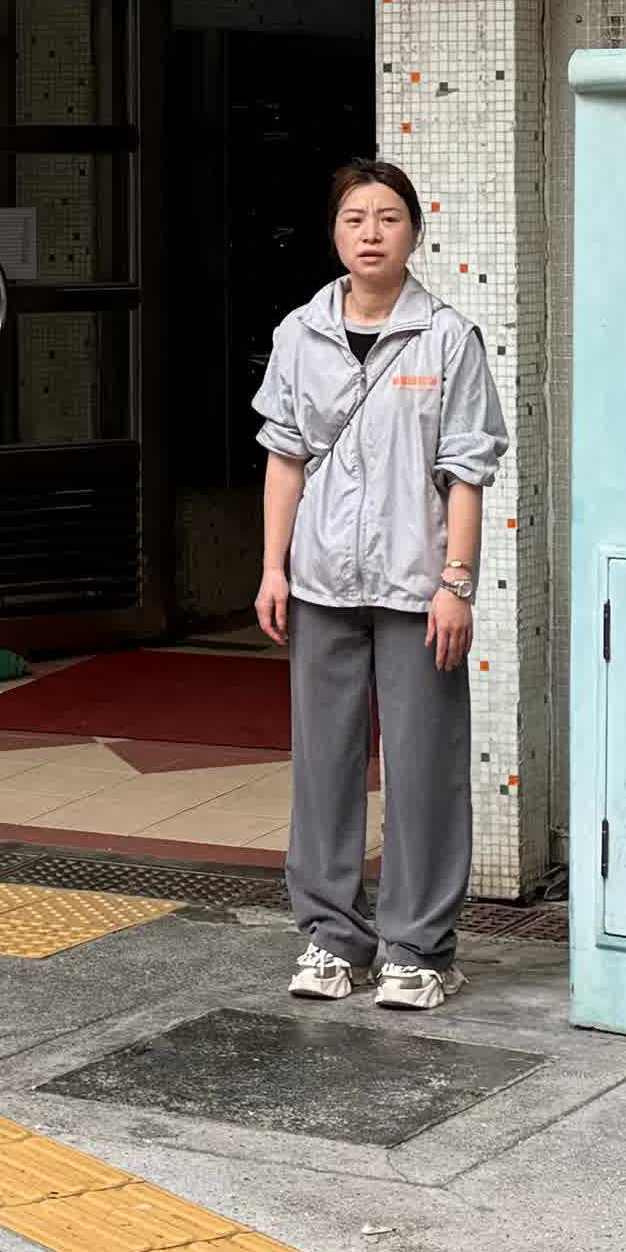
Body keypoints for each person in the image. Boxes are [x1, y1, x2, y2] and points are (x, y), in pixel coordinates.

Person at [251, 156, 507, 1013]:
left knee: (424, 766)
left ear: (415, 232)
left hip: (416, 585)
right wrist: (273, 567)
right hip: (321, 579)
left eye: (389, 218)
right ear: (334, 232)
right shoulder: (300, 333)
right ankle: (331, 937)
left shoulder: (448, 337)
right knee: (322, 766)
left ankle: (419, 948)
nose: (371, 233)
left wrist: (456, 583)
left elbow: (465, 472)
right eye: (355, 218)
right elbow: (285, 460)